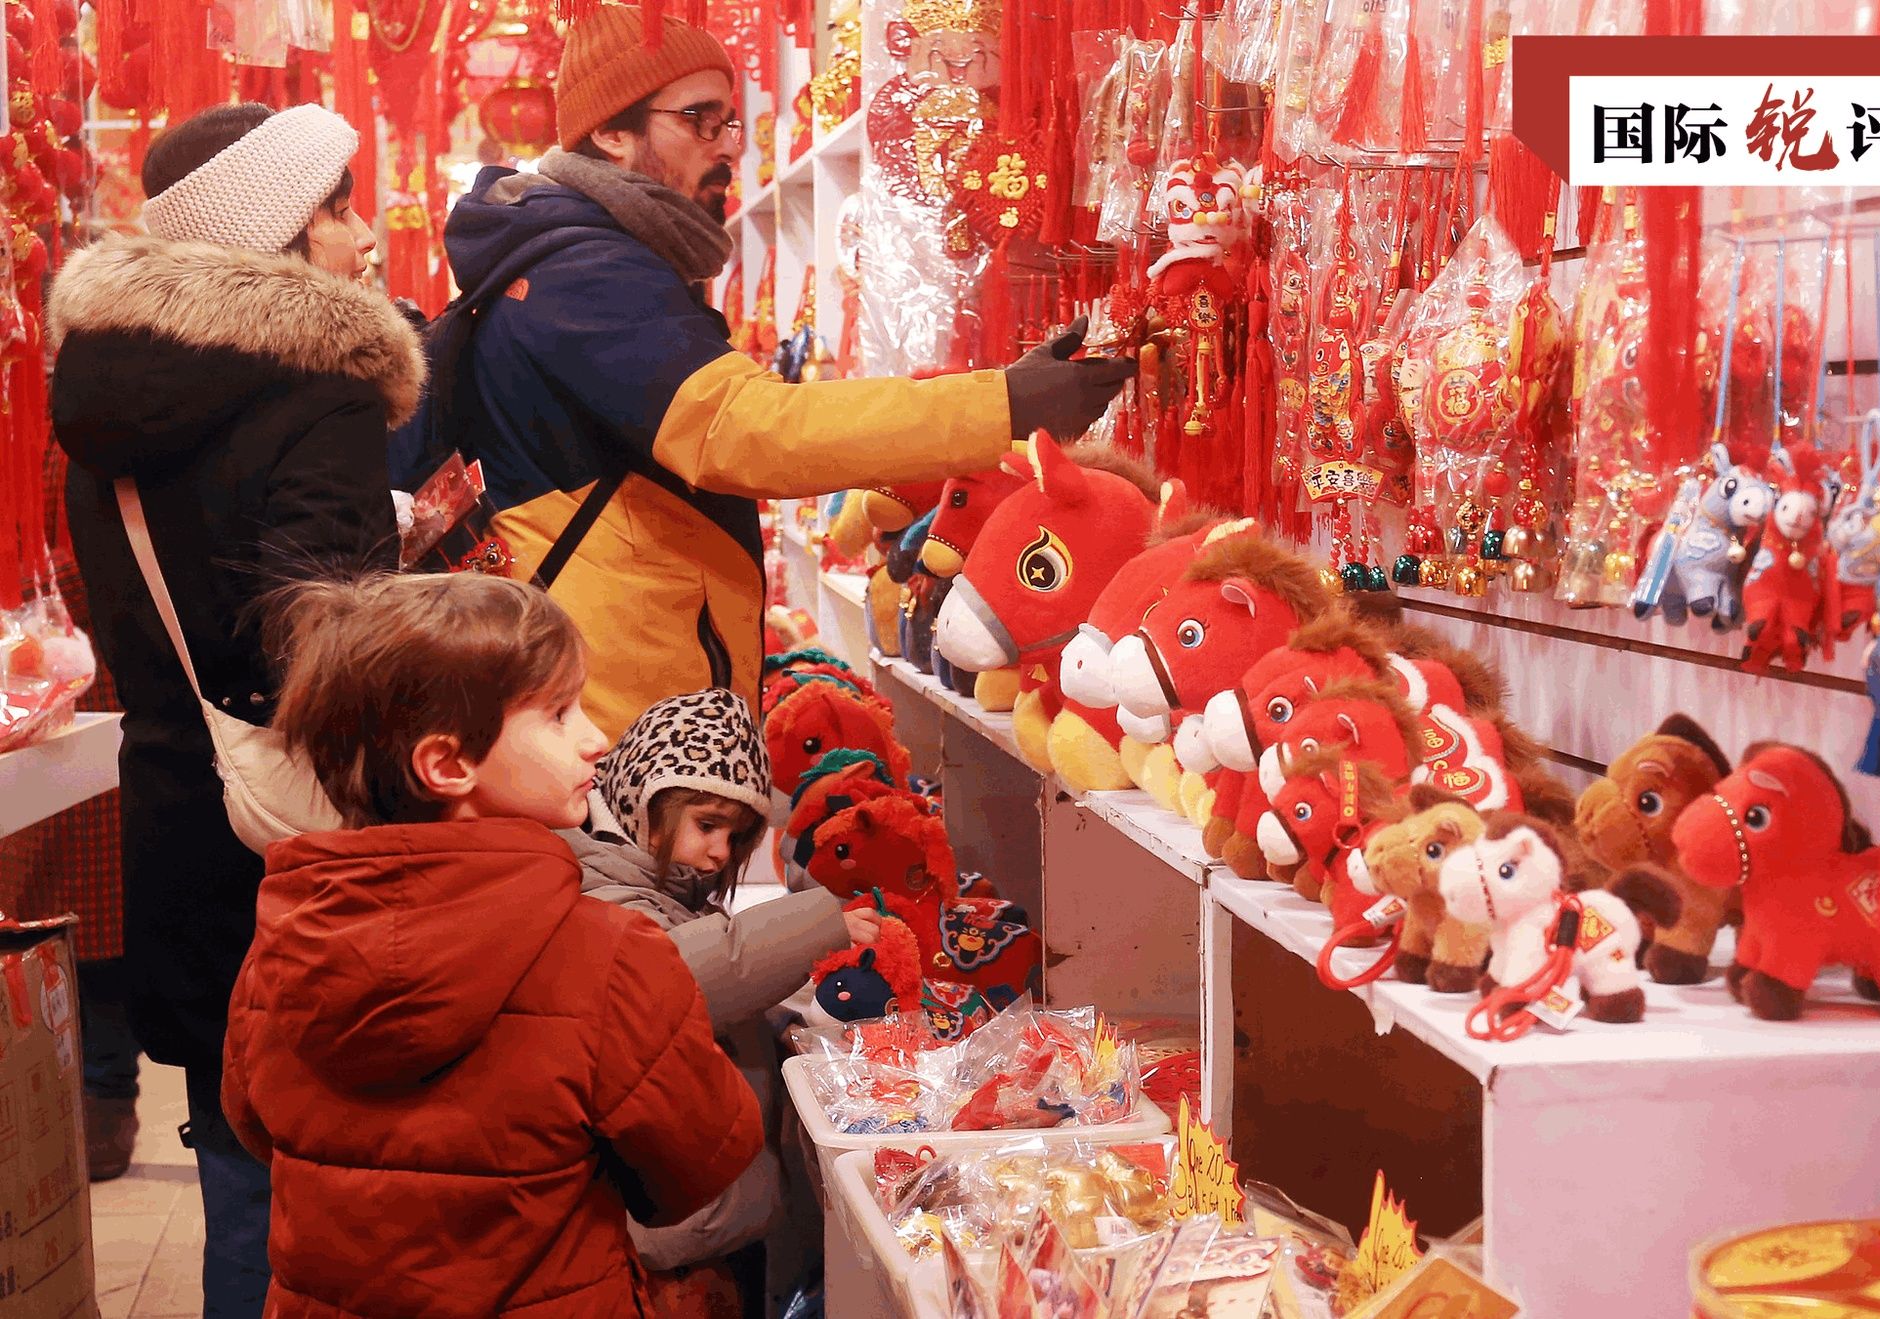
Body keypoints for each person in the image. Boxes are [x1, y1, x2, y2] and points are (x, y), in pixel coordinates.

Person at [394, 4, 1136, 740]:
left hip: (611, 686)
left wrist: (1004, 396)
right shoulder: (587, 274)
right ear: (611, 134)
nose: (728, 147)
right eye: (699, 120)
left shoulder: (578, 258)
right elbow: (745, 430)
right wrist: (1003, 405)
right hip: (612, 716)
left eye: (731, 123)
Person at [48, 101, 411, 1315]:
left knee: (238, 1165)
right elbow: (320, 644)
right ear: (281, 229)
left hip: (180, 811)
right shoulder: (321, 395)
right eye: (341, 208)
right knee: (335, 1184)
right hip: (307, 835)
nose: (365, 236)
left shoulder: (112, 400)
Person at [223, 572, 762, 1317]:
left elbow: (256, 1124)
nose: (596, 738)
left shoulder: (282, 946)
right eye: (559, 713)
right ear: (448, 764)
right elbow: (696, 1164)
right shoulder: (609, 955)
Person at [563, 687, 881, 1314]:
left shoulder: (659, 893)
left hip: (698, 1207)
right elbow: (684, 974)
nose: (719, 852)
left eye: (735, 838)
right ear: (641, 803)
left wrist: (784, 1024)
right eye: (706, 825)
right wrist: (820, 925)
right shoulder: (602, 892)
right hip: (671, 1227)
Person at [0, 446, 142, 1182]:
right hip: (30, 707)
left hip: (84, 699)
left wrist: (27, 601)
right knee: (41, 918)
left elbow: (89, 575)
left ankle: (107, 1092)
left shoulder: (70, 442)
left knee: (93, 928)